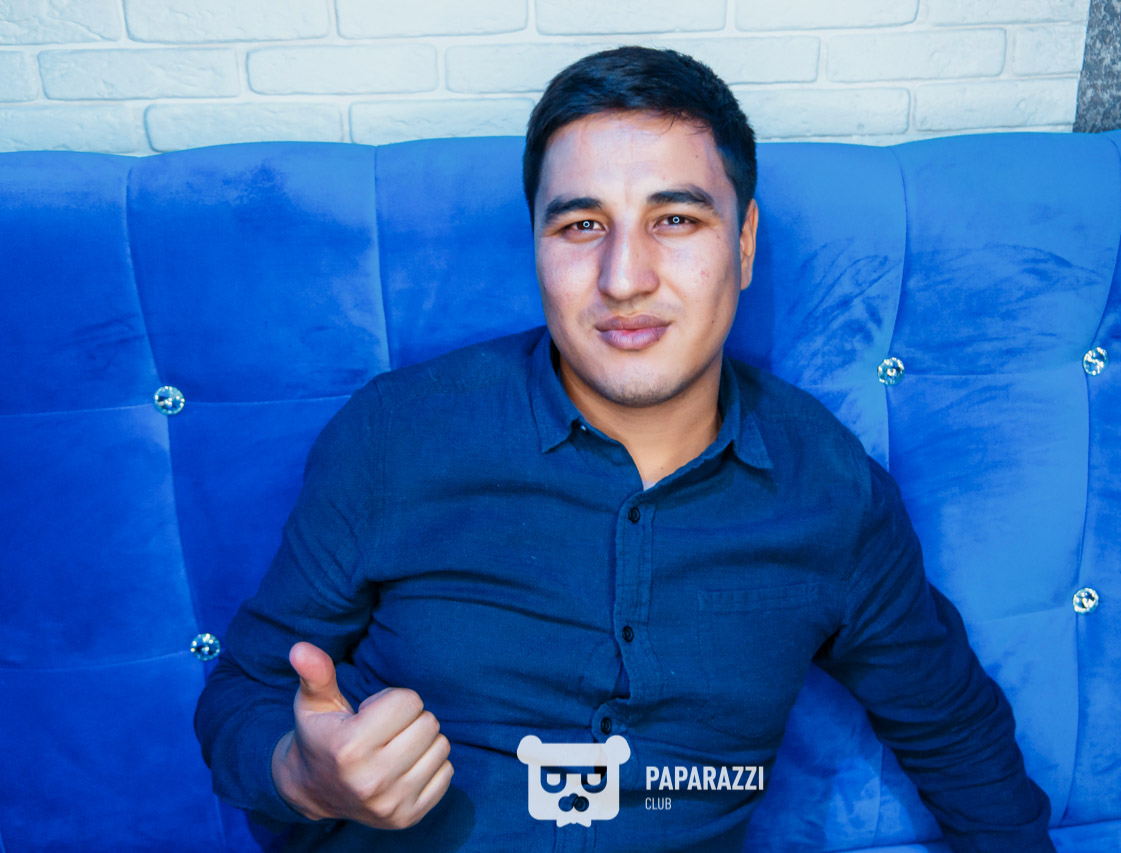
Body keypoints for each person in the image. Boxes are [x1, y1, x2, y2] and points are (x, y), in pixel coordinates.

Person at [194, 45, 1056, 852]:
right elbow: (244, 693)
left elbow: (955, 732)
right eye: (581, 226)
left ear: (745, 242)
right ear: (536, 246)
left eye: (674, 218)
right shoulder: (395, 434)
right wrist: (302, 773)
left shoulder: (833, 490)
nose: (624, 278)